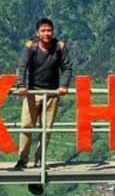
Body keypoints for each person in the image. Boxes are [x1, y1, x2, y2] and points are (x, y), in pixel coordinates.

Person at [13, 17, 73, 170]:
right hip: (32, 93)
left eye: (49, 30)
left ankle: (40, 159)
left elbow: (67, 67)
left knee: (46, 128)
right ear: (37, 33)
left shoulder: (59, 47)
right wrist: (21, 84)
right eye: (43, 30)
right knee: (26, 126)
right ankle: (22, 159)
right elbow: (22, 66)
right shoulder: (31, 47)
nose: (47, 33)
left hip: (52, 94)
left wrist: (64, 85)